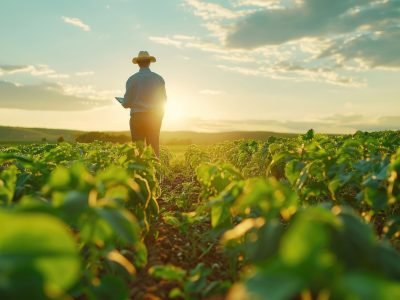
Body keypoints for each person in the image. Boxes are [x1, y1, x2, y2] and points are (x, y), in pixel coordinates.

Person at [121, 51, 167, 156]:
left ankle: (140, 171)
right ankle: (156, 172)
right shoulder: (158, 79)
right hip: (154, 116)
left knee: (138, 148)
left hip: (137, 116)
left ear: (138, 63)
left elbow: (126, 103)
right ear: (149, 62)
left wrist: (124, 102)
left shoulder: (132, 79)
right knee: (153, 147)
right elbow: (164, 100)